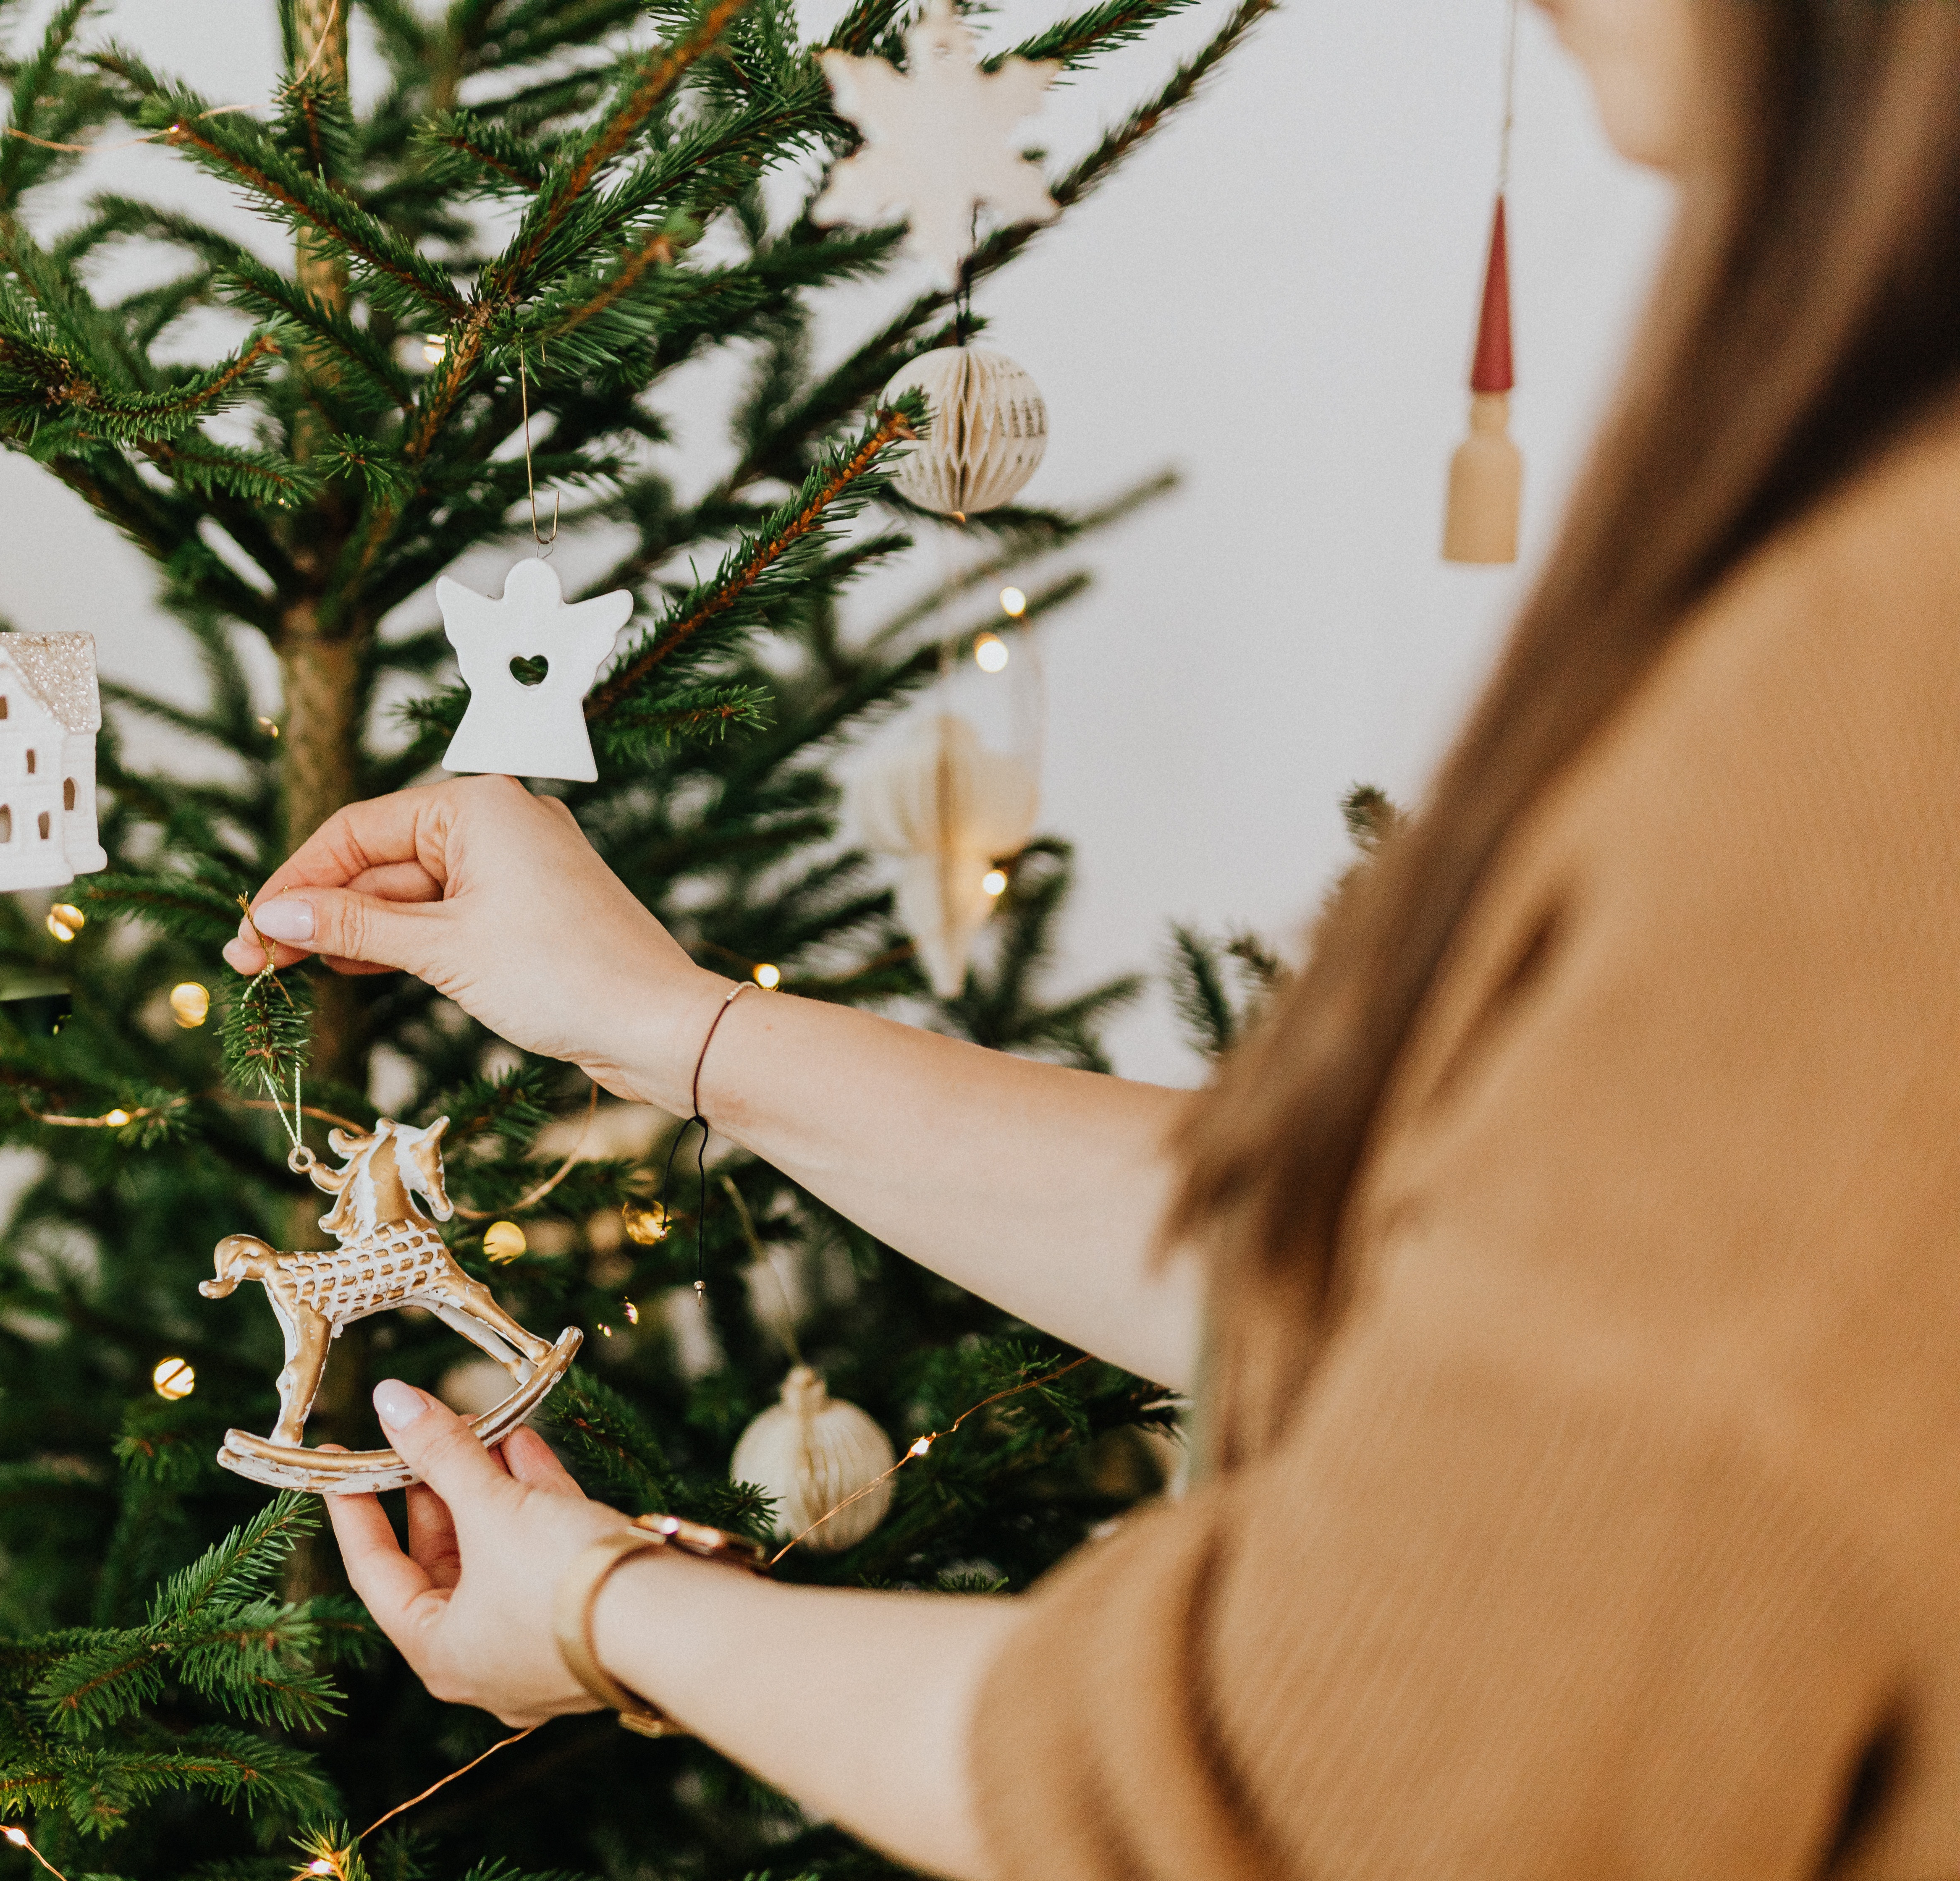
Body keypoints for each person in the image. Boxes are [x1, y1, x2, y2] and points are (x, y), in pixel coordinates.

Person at [221, 0, 1960, 1871]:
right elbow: (1384, 1284)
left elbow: (1301, 1784)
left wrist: (606, 1610)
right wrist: (665, 1022)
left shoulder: (1878, 677)